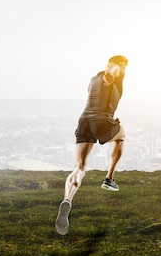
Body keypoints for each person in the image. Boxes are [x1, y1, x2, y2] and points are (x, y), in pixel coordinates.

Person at [55, 55, 128, 235]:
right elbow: (111, 75)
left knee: (80, 167)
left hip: (85, 121)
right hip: (103, 121)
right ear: (119, 65)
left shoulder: (93, 78)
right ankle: (109, 179)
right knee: (121, 138)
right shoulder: (114, 72)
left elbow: (101, 83)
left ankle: (67, 200)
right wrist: (112, 73)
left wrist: (107, 76)